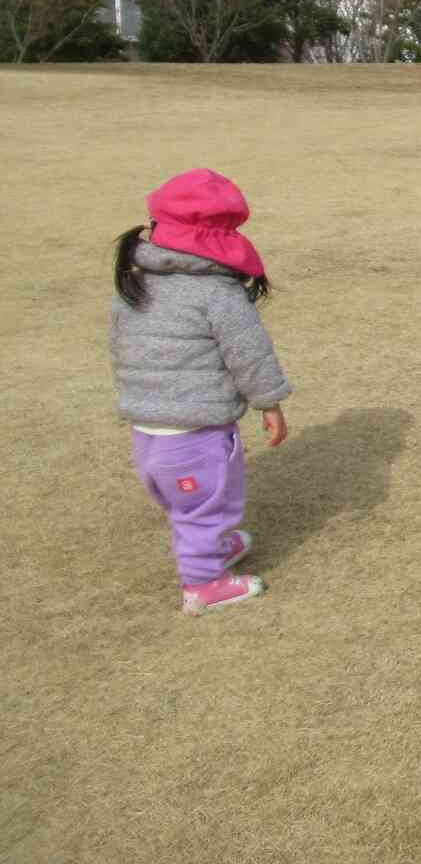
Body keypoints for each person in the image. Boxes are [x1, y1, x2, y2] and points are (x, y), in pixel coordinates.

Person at [110, 169, 293, 614]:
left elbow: (121, 346)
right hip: (193, 434)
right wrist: (269, 403)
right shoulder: (219, 293)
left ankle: (217, 548)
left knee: (188, 502)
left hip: (147, 430)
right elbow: (249, 355)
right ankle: (204, 585)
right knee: (202, 509)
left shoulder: (137, 282)